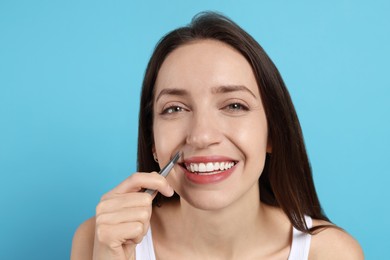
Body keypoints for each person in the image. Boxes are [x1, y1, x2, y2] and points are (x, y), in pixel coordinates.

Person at [71, 12, 364, 260]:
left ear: (272, 133)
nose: (201, 136)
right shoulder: (100, 240)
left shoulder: (330, 252)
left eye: (234, 105)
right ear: (153, 141)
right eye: (174, 109)